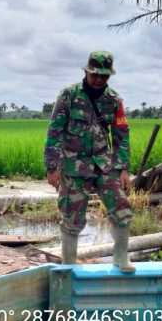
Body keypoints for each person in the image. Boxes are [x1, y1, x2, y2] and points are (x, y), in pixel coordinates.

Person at [44, 51, 135, 272]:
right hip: (74, 166)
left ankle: (121, 259)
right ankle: (68, 265)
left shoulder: (114, 100)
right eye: (95, 75)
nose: (99, 80)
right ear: (86, 71)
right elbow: (54, 132)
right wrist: (52, 167)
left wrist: (123, 169)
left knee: (122, 209)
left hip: (104, 165)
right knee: (71, 216)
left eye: (104, 76)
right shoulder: (69, 95)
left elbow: (122, 135)